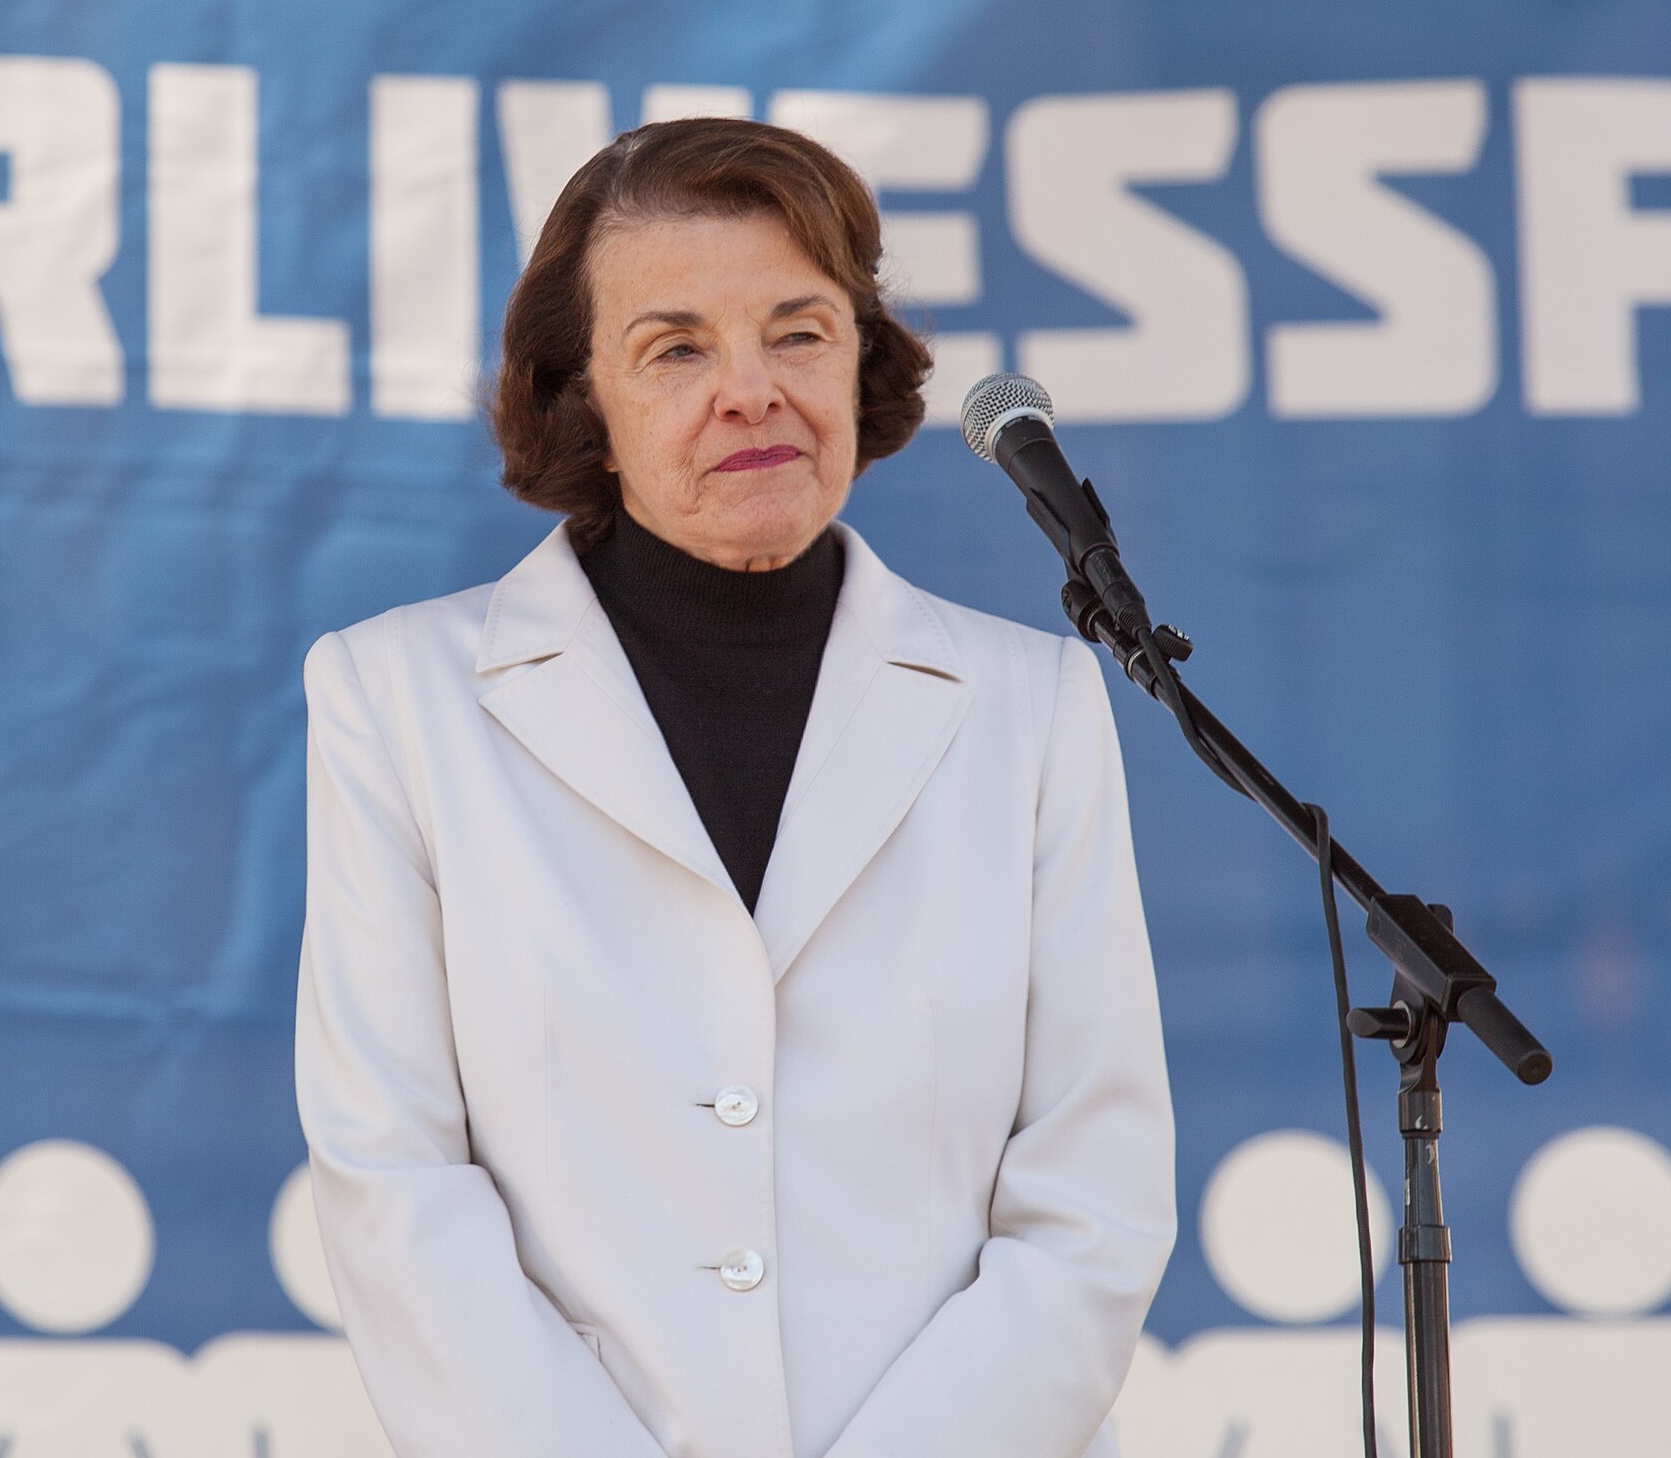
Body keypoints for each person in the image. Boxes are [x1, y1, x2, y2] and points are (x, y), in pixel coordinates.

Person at [294, 116, 1175, 1458]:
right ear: (582, 396)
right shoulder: (396, 702)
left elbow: (1093, 1197)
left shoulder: (1033, 709)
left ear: (862, 360)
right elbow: (395, 1182)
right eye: (678, 348)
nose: (752, 388)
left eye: (799, 331)